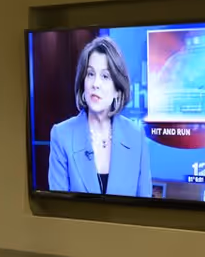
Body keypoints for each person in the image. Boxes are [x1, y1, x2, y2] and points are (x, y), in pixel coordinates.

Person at [46, 36, 153, 197]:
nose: (95, 83)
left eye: (105, 76)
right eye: (90, 74)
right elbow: (57, 212)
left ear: (118, 89)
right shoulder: (62, 136)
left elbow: (145, 211)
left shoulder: (136, 136)